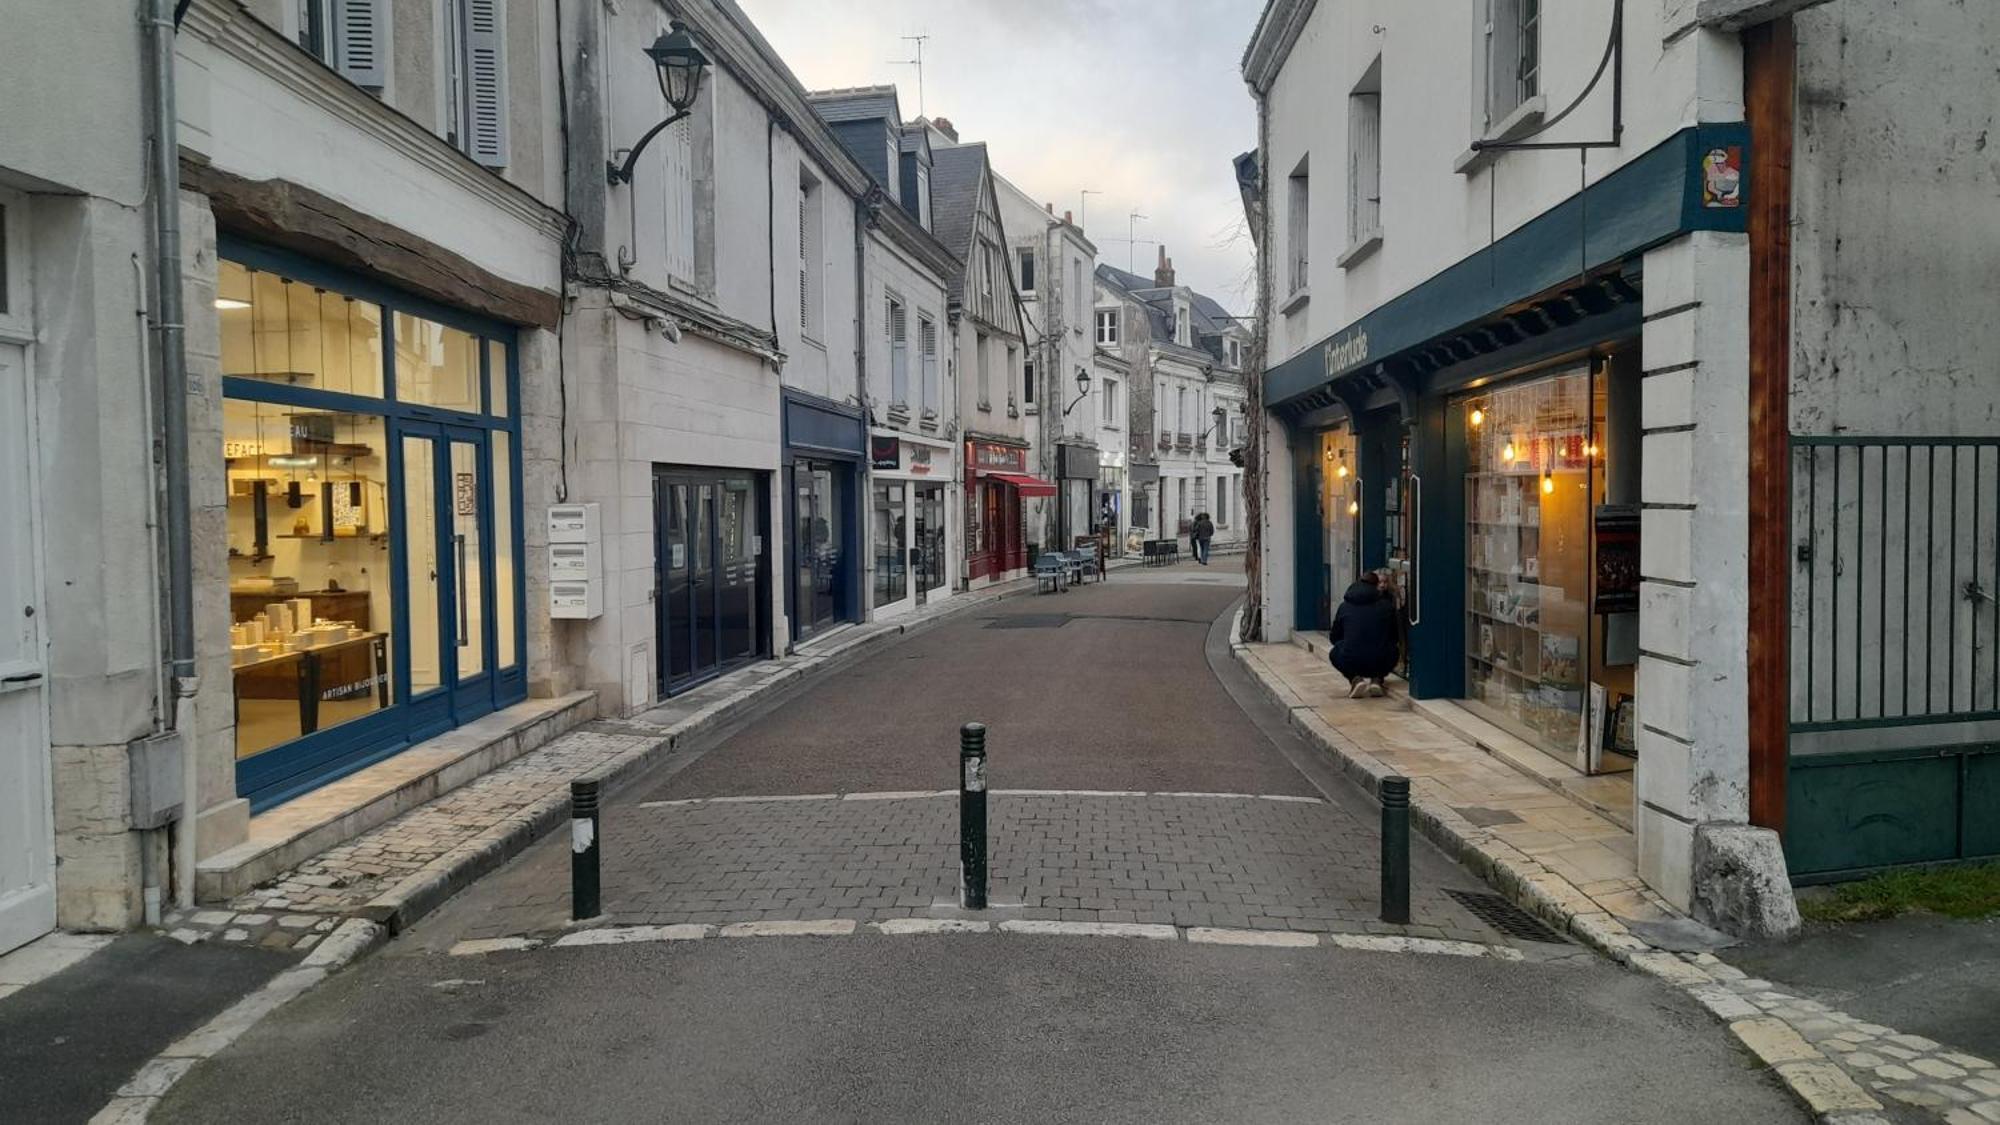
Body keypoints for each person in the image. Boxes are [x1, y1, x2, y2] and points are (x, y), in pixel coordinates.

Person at [1329, 572, 1399, 698]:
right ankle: (1377, 679)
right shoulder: (1386, 606)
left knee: (1334, 652)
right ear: (1376, 586)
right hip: (1379, 660)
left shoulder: (1344, 607)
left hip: (1352, 660)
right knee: (1393, 650)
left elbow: (1334, 637)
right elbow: (1394, 636)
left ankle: (1355, 680)